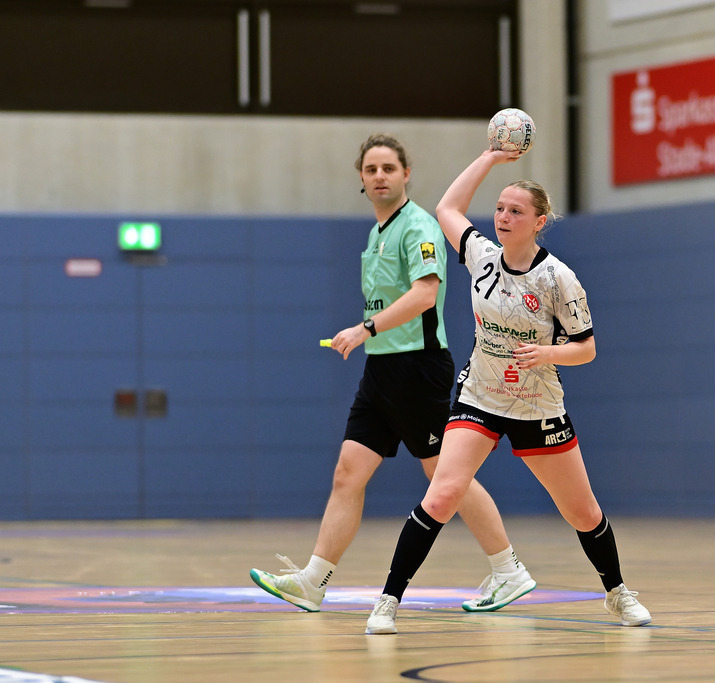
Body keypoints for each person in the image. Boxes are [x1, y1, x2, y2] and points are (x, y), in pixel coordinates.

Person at [363, 147, 652, 635]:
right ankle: (388, 600)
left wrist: (549, 355)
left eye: (515, 211)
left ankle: (618, 593)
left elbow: (587, 348)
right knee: (442, 495)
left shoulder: (559, 278)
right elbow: (447, 210)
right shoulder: (483, 257)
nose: (502, 217)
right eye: (499, 208)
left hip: (539, 403)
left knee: (582, 511)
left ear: (539, 222)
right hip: (480, 397)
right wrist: (489, 158)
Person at [250, 134, 536, 614]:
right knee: (348, 473)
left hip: (417, 368)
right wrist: (371, 338)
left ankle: (509, 571)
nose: (380, 176)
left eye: (388, 168)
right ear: (361, 179)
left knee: (444, 476)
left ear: (406, 174)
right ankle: (312, 582)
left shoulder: (418, 226)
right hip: (381, 370)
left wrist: (366, 328)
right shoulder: (378, 232)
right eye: (371, 169)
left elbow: (426, 294)